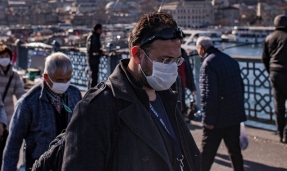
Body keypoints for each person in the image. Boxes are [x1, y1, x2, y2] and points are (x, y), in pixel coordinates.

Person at [62, 13, 200, 171]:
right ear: (137, 55)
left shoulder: (169, 98)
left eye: (176, 61)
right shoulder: (96, 109)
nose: (172, 68)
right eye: (165, 60)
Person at [2, 52, 82, 171]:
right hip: (39, 165)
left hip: (69, 163)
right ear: (46, 77)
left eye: (68, 79)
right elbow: (13, 144)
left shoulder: (75, 94)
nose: (64, 84)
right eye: (59, 80)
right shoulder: (28, 103)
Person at [196, 36, 246, 171]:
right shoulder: (230, 60)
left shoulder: (208, 63)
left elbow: (208, 94)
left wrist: (208, 120)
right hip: (234, 116)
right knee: (235, 152)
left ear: (202, 49)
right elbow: (240, 88)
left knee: (206, 156)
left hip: (217, 119)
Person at [0, 45, 25, 171]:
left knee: (6, 149)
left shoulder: (14, 75)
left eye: (6, 56)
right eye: (1, 56)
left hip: (9, 117)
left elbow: (21, 96)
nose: (4, 59)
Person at [262, 14, 287, 144]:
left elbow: (264, 58)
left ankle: (280, 133)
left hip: (275, 73)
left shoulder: (269, 38)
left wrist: (270, 70)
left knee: (278, 104)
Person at [86, 23, 106, 89]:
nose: (102, 31)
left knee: (92, 76)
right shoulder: (94, 36)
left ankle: (90, 91)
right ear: (98, 29)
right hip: (93, 59)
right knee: (94, 77)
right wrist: (101, 51)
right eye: (101, 29)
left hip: (92, 59)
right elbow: (93, 48)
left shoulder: (92, 35)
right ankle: (92, 92)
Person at [178, 46, 197, 115]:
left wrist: (192, 87)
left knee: (181, 106)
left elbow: (188, 70)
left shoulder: (182, 52)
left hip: (182, 85)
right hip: (172, 85)